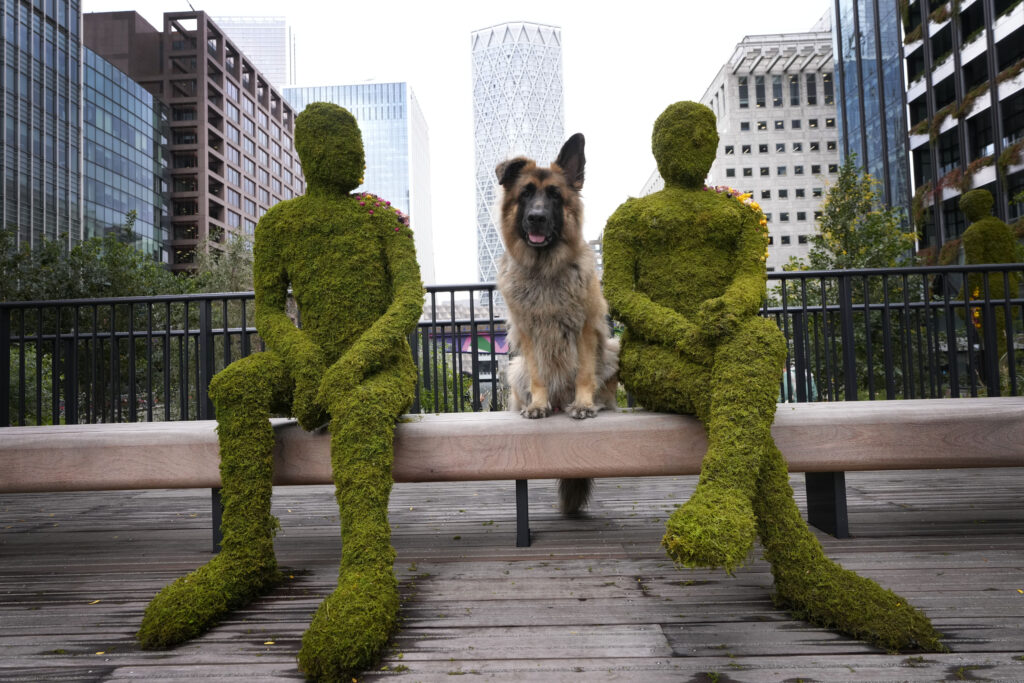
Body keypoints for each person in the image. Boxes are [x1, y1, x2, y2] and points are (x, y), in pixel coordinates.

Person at [602, 100, 942, 651]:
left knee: (760, 338)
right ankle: (799, 564)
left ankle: (725, 497)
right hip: (654, 357)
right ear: (659, 146)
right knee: (736, 385)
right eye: (681, 134)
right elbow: (622, 295)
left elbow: (750, 283)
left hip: (728, 346)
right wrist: (681, 330)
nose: (695, 143)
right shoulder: (631, 218)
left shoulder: (738, 216)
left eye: (703, 134)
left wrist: (730, 311)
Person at [137, 102, 424, 680]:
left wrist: (348, 369)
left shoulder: (382, 219)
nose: (348, 150)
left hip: (380, 370)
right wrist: (306, 361)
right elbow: (268, 312)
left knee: (361, 406)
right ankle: (247, 554)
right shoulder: (280, 224)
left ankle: (367, 571)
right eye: (333, 139)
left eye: (352, 139)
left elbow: (408, 301)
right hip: (312, 365)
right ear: (307, 151)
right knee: (236, 384)